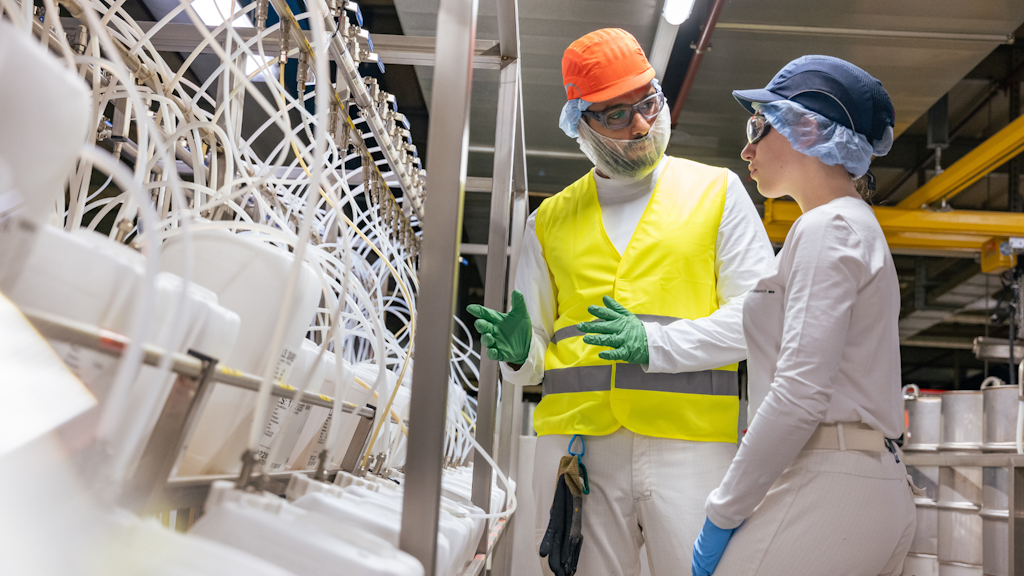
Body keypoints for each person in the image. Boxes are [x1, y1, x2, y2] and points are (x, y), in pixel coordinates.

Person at [467, 28, 774, 576]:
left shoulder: (719, 193)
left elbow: (762, 318)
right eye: (615, 114)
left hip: (693, 445)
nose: (640, 125)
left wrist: (653, 343)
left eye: (648, 103)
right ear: (578, 125)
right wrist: (518, 355)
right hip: (578, 451)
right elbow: (535, 350)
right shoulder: (548, 222)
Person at [690, 55, 917, 576]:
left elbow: (799, 392)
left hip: (831, 480)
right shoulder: (846, 226)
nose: (745, 148)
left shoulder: (828, 228)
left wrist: (723, 512)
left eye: (758, 126)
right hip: (860, 481)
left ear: (808, 126)